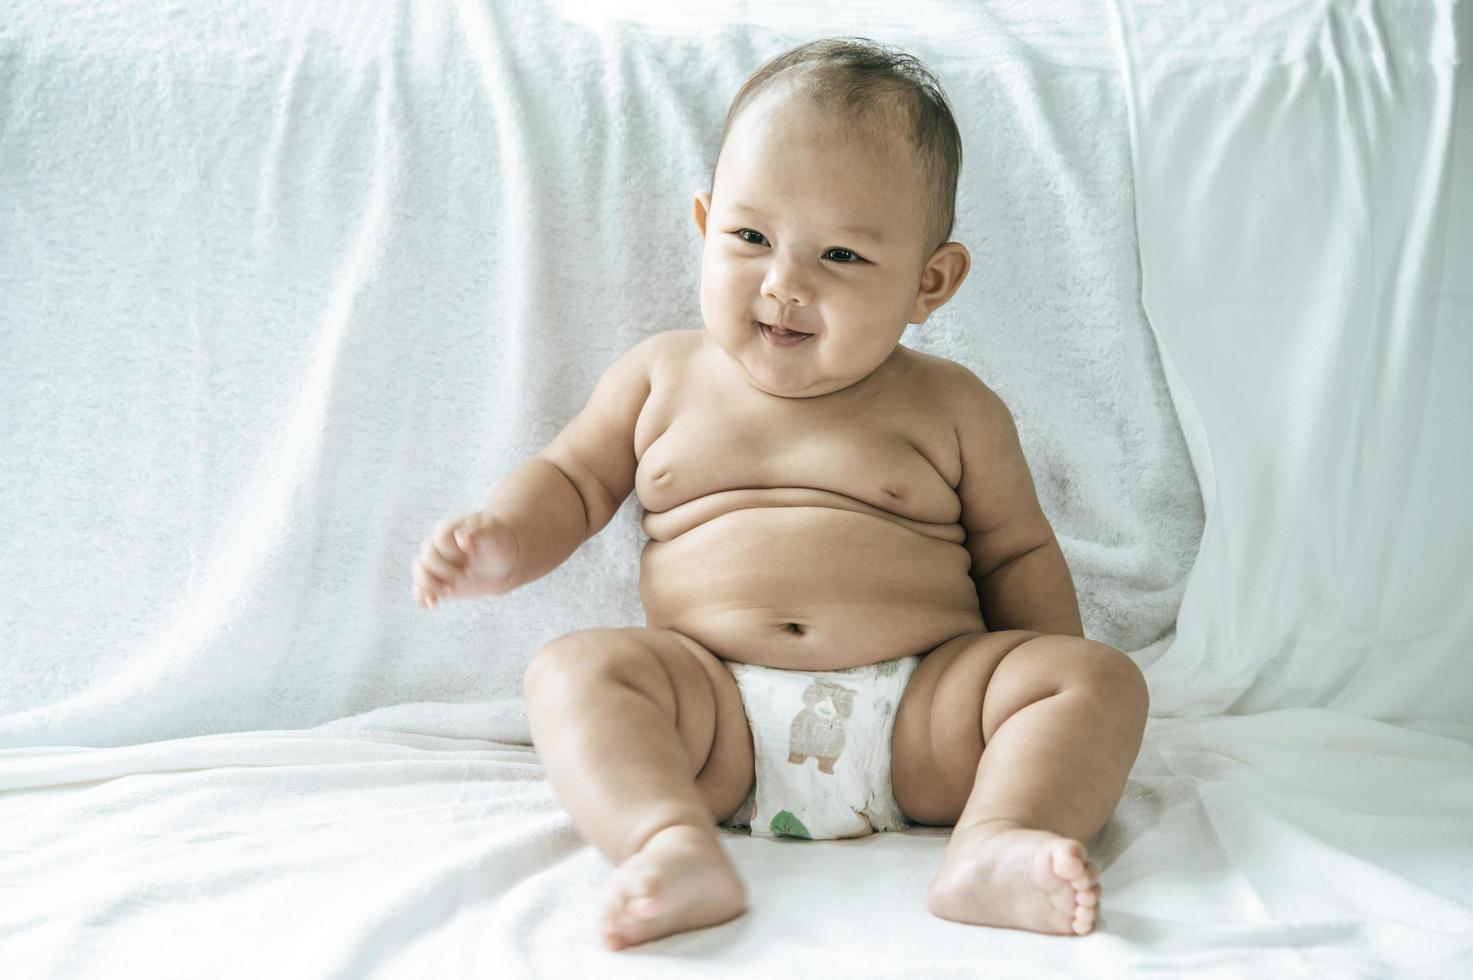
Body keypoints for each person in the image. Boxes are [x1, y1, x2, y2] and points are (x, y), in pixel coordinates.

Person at [411, 37, 1148, 951]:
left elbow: (1015, 554)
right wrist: (503, 541)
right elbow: (570, 481)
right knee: (573, 672)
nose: (784, 284)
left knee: (1098, 681)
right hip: (711, 715)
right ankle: (665, 842)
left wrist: (1034, 705)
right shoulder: (659, 379)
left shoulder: (954, 407)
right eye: (751, 237)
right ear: (705, 219)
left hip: (919, 719)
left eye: (839, 254)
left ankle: (998, 840)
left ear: (930, 282)